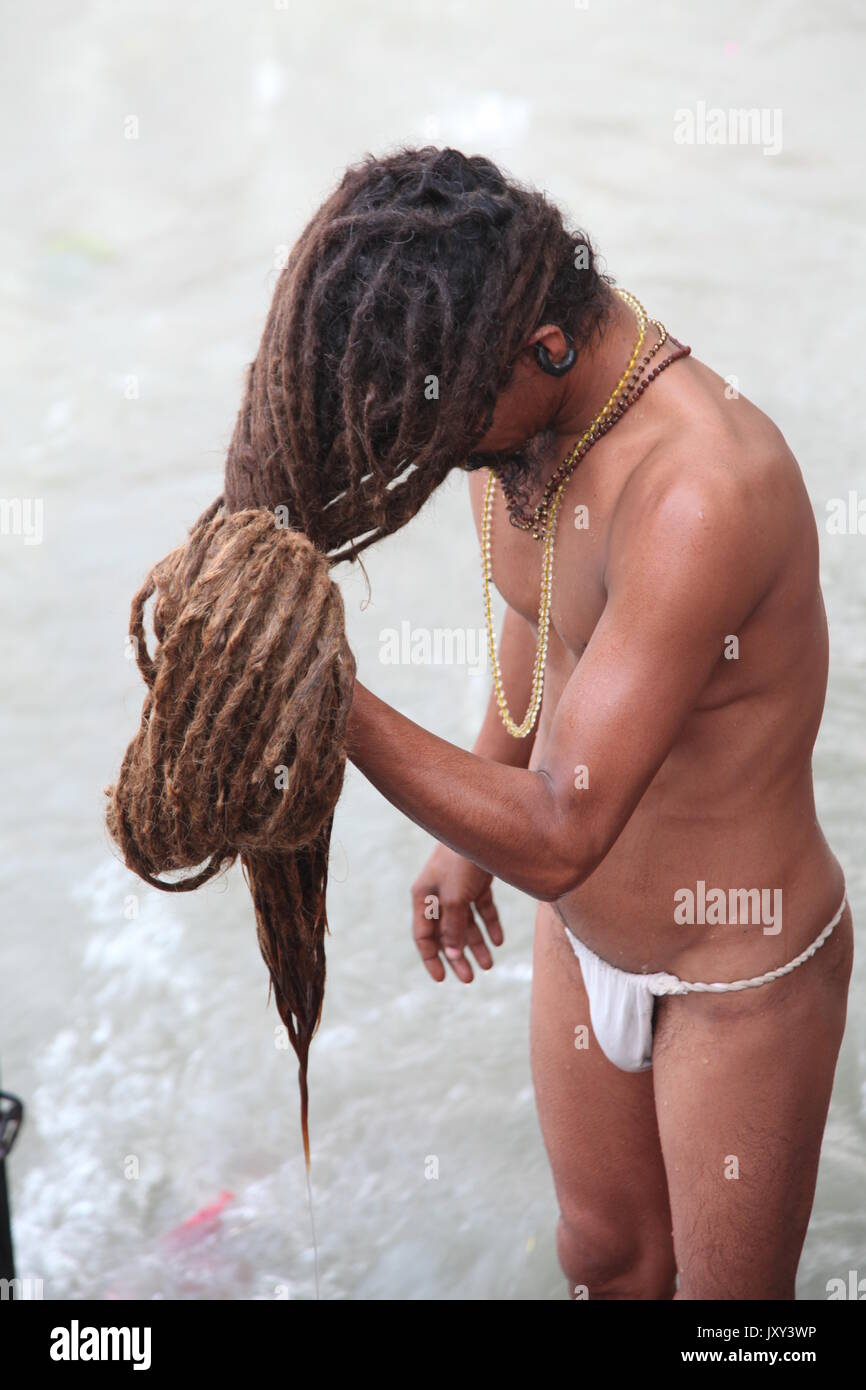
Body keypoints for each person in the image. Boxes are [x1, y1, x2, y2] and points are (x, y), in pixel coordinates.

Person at [226, 146, 853, 1299]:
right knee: (605, 1262)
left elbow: (564, 829)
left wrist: (316, 684)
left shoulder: (698, 487)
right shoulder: (503, 407)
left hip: (731, 972)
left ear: (546, 346)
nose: (432, 444)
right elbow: (540, 617)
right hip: (577, 932)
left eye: (451, 414)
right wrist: (469, 823)